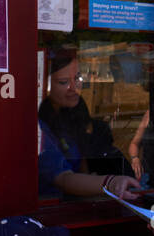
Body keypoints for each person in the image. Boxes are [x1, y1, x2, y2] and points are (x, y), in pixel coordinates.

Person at [38, 53, 142, 199]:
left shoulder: (72, 113)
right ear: (44, 85)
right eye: (63, 82)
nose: (73, 88)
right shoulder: (39, 127)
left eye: (78, 78)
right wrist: (110, 183)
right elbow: (63, 178)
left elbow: (82, 159)